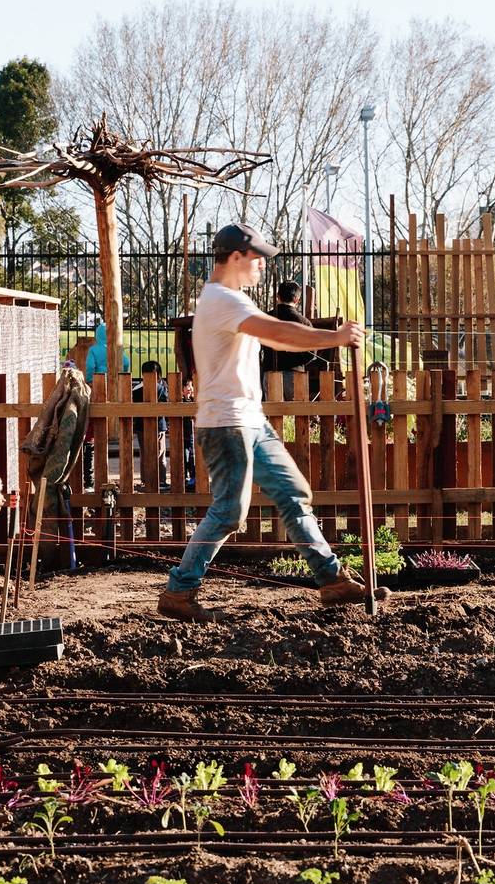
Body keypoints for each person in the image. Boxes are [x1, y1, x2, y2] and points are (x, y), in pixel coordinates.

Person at [158, 222, 387, 622]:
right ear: (236, 257)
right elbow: (277, 330)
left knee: (293, 493)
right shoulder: (221, 300)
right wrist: (334, 337)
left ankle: (332, 581)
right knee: (229, 511)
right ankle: (179, 592)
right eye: (258, 258)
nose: (263, 265)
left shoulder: (234, 300)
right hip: (226, 423)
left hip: (250, 420)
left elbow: (277, 338)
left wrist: (328, 338)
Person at [82, 321, 131, 488]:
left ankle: (90, 478)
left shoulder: (94, 350)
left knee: (94, 424)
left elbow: (90, 367)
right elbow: (126, 363)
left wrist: (90, 380)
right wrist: (121, 376)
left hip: (97, 387)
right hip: (115, 387)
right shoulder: (118, 349)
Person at [133, 360, 194, 491]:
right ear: (159, 374)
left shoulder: (136, 389)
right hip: (159, 425)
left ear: (143, 374)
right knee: (160, 454)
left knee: (145, 454)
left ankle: (146, 480)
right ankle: (161, 480)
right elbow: (166, 403)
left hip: (141, 426)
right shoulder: (161, 387)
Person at [262, 280, 317, 399]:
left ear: (278, 296)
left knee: (273, 409)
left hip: (270, 371)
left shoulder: (265, 319)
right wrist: (295, 362)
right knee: (297, 409)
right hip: (295, 374)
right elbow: (311, 353)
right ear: (297, 300)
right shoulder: (303, 322)